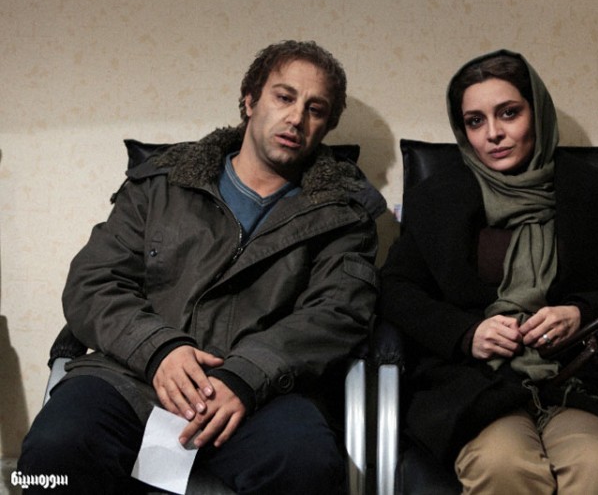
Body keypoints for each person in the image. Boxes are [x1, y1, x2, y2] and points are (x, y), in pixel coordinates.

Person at [19, 40, 384, 494]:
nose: (296, 118)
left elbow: (336, 313)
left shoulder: (343, 213)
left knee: (307, 466)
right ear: (250, 101)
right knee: (51, 453)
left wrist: (247, 375)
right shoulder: (160, 183)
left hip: (262, 392)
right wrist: (159, 349)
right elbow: (94, 281)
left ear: (326, 125)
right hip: (135, 376)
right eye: (284, 97)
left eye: (315, 109)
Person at [379, 49, 598, 494]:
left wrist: (581, 312)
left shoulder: (596, 197)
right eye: (475, 121)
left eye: (509, 113)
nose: (493, 133)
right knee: (502, 465)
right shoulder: (438, 200)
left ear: (538, 113)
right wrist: (466, 333)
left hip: (578, 384)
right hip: (476, 386)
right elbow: (395, 290)